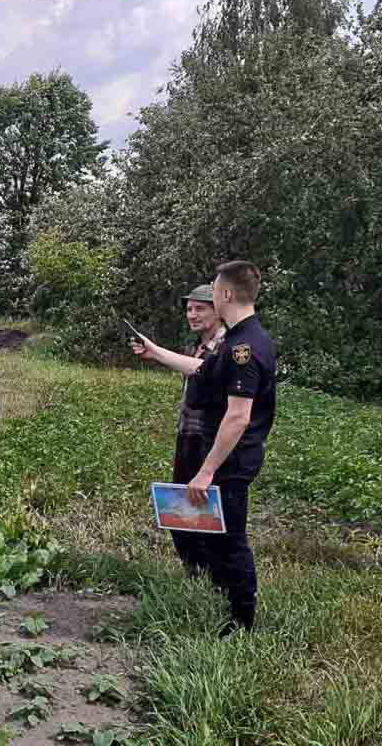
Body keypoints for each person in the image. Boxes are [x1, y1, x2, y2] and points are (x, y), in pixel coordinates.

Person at [131, 261, 277, 636]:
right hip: (228, 454)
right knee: (216, 534)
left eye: (213, 290)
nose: (208, 296)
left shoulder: (244, 346)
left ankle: (242, 622)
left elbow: (238, 418)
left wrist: (206, 470)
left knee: (231, 539)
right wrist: (155, 352)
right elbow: (201, 369)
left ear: (226, 294)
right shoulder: (242, 339)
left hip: (233, 457)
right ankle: (223, 597)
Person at [168, 284, 227, 579]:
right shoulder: (199, 345)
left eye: (199, 308)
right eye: (189, 309)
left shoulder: (225, 346)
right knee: (180, 502)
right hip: (187, 434)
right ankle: (194, 568)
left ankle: (213, 573)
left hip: (209, 438)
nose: (192, 315)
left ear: (218, 310)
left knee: (204, 506)